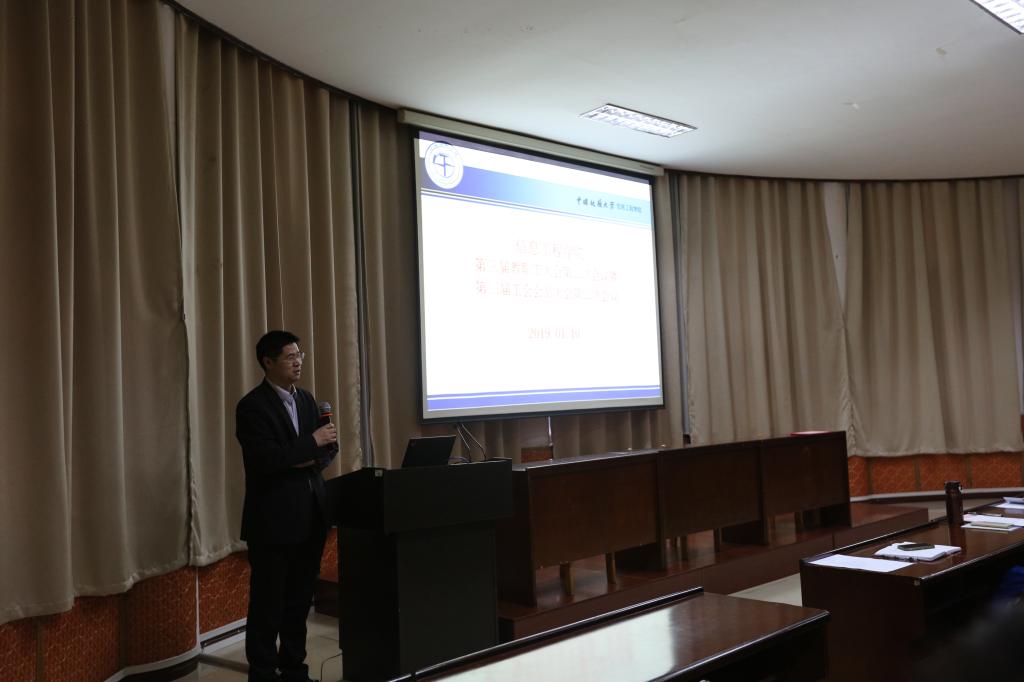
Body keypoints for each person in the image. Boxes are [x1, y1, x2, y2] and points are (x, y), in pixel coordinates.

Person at [236, 330, 338, 682]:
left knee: (298, 603)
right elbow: (265, 460)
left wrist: (306, 454)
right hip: (273, 522)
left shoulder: (307, 400)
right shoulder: (252, 407)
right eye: (290, 357)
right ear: (268, 362)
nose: (298, 362)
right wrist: (309, 445)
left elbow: (328, 449)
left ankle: (295, 670)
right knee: (268, 605)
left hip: (311, 517)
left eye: (299, 356)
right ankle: (263, 674)